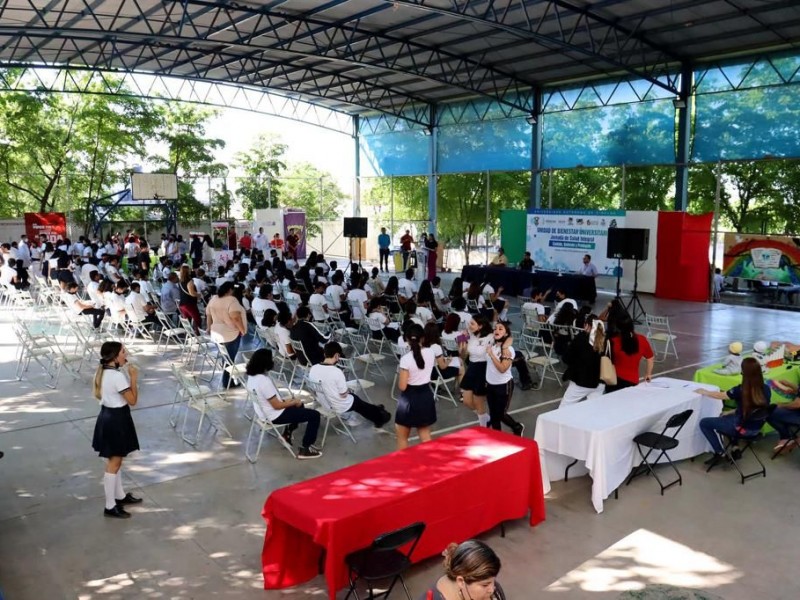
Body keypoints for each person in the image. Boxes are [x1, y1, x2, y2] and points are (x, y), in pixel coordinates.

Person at [91, 342, 143, 519]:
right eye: (123, 352)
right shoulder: (117, 377)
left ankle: (119, 496)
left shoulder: (105, 372)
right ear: (114, 357)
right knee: (114, 462)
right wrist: (133, 378)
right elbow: (133, 400)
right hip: (116, 419)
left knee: (117, 459)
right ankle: (110, 505)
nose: (125, 354)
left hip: (108, 416)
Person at [245, 349, 322, 459]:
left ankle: (287, 434)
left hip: (264, 413)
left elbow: (274, 401)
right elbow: (277, 406)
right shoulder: (264, 381)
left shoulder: (252, 377)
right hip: (274, 415)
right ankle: (306, 449)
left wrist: (292, 402)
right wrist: (292, 402)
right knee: (315, 415)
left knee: (299, 405)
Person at [697, 357, 772, 467]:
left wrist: (704, 392)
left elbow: (720, 395)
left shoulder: (741, 389)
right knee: (726, 417)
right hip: (756, 429)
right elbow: (754, 410)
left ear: (743, 372)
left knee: (704, 422)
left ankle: (719, 452)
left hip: (741, 429)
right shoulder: (766, 388)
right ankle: (735, 446)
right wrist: (730, 412)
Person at [309, 342, 392, 427]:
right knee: (357, 402)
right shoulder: (336, 372)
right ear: (337, 355)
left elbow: (315, 390)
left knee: (358, 401)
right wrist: (347, 390)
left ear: (324, 354)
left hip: (325, 403)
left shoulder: (313, 368)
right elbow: (343, 394)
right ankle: (379, 418)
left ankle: (376, 409)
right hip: (338, 405)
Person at [395, 323, 437, 450]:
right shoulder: (431, 352)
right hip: (425, 395)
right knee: (425, 435)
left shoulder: (406, 359)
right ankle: (430, 465)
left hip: (409, 398)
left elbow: (402, 386)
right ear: (422, 338)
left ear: (406, 339)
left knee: (402, 437)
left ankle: (403, 466)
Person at [420, 539, 502, 600]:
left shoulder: (481, 584)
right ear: (461, 581)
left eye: (493, 581)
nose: (492, 590)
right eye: (485, 585)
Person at [485, 321, 524, 435]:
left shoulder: (508, 350)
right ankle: (498, 437)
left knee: (500, 413)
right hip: (490, 384)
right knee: (493, 414)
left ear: (506, 334)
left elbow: (502, 368)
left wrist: (492, 355)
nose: (497, 330)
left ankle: (517, 427)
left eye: (500, 329)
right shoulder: (491, 344)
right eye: (495, 328)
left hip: (504, 385)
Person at [205, 281, 248, 388]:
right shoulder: (232, 300)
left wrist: (208, 327)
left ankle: (227, 380)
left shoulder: (214, 299)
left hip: (217, 333)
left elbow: (208, 315)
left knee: (225, 357)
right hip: (230, 333)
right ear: (229, 290)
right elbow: (236, 317)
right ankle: (227, 382)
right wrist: (242, 330)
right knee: (230, 359)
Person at [561, 315, 606, 405]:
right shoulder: (606, 339)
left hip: (581, 381)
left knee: (564, 408)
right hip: (600, 382)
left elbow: (566, 358)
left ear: (587, 325)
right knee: (592, 410)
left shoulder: (581, 337)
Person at [459, 316, 492, 427]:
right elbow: (463, 356)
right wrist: (462, 345)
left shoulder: (490, 337)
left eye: (472, 324)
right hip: (471, 368)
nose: (469, 326)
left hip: (483, 368)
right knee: (466, 401)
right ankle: (486, 418)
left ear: (480, 326)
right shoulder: (470, 336)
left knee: (479, 403)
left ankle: (484, 427)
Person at [606, 316, 654, 392]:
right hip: (633, 381)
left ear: (617, 328)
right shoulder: (642, 339)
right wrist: (648, 374)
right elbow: (650, 358)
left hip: (614, 380)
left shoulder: (612, 341)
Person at [178, 265, 202, 333]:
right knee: (197, 319)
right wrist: (199, 294)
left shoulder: (180, 281)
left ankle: (189, 334)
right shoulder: (189, 281)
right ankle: (198, 334)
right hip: (189, 303)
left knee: (187, 321)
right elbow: (192, 293)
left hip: (182, 304)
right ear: (187, 271)